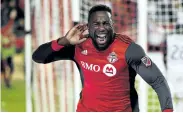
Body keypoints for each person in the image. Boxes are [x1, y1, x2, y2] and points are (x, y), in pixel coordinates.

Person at [32, 4, 173, 112]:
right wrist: (64, 41)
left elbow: (158, 81)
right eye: (96, 24)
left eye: (106, 23)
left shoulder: (128, 49)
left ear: (113, 25)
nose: (101, 28)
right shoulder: (79, 46)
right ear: (88, 27)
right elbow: (38, 57)